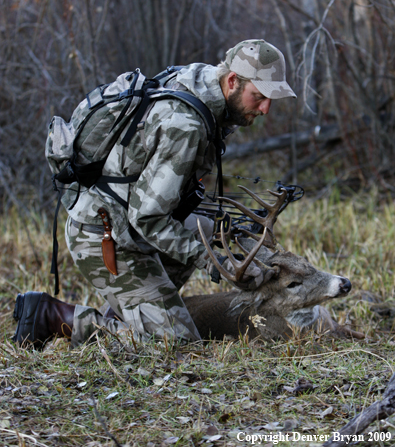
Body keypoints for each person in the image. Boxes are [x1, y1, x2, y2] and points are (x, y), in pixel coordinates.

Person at [13, 39, 296, 349]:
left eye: (271, 98)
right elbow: (148, 219)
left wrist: (225, 240)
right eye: (259, 96)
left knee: (208, 233)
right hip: (105, 234)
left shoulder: (202, 82)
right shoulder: (185, 126)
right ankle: (52, 316)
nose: (266, 108)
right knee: (176, 345)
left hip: (128, 220)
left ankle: (136, 313)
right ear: (232, 81)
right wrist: (215, 262)